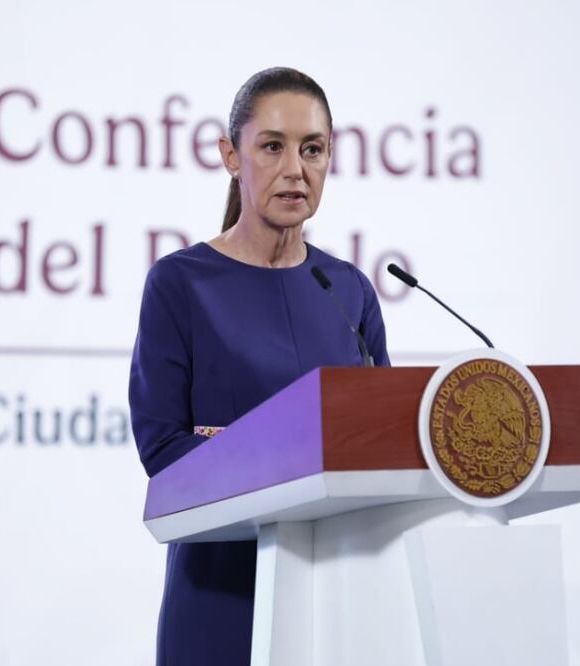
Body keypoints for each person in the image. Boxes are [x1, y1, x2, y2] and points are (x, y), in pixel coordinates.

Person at [128, 67, 390, 665]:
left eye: (313, 149)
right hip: (221, 588)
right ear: (230, 155)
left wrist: (229, 439)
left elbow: (383, 446)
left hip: (338, 594)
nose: (295, 168)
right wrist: (300, 458)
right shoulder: (181, 284)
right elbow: (162, 448)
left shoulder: (348, 291)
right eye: (272, 146)